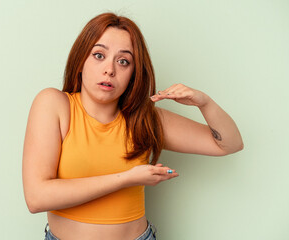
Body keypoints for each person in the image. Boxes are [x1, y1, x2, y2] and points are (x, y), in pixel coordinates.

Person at [22, 12, 243, 240]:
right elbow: (37, 198)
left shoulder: (146, 120)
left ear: (133, 74)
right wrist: (127, 178)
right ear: (80, 61)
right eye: (99, 55)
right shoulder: (54, 104)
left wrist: (204, 103)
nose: (110, 69)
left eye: (123, 61)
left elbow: (229, 144)